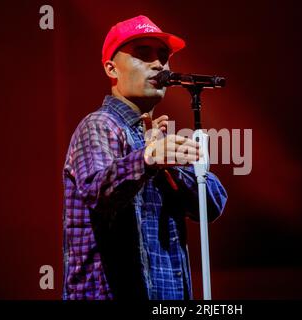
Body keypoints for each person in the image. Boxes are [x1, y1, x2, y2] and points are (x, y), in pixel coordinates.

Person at [62, 15, 227, 300]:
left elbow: (212, 204)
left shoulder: (154, 141)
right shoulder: (100, 125)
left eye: (163, 56)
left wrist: (168, 165)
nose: (159, 64)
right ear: (111, 69)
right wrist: (148, 159)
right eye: (143, 54)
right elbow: (97, 190)